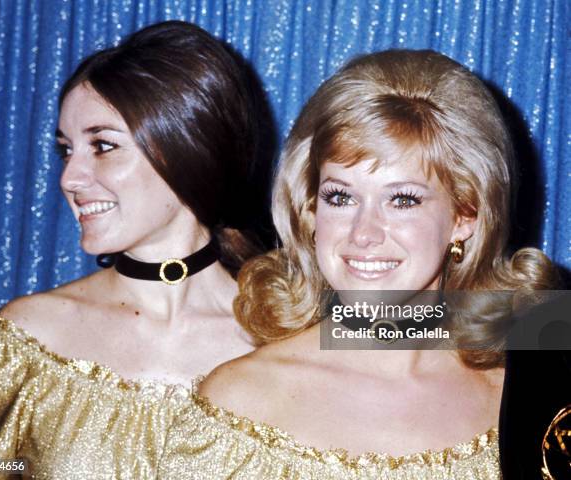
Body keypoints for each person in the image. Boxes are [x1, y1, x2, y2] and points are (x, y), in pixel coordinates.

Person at [158, 50, 564, 479]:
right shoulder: (238, 405)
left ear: (465, 216)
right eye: (341, 197)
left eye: (402, 199)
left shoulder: (534, 382)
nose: (363, 233)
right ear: (311, 211)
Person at [0, 20, 268, 478]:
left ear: (189, 149)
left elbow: (408, 330)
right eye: (66, 150)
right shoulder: (25, 340)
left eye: (103, 146)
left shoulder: (284, 334)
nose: (69, 179)